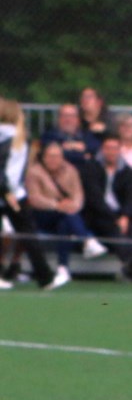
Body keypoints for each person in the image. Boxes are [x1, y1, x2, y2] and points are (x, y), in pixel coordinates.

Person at [0, 97, 61, 291]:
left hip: (8, 193)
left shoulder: (8, 137)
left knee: (27, 234)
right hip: (14, 193)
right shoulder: (19, 138)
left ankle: (45, 276)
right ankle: (45, 277)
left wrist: (6, 191)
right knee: (29, 235)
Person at [26, 142, 105, 270]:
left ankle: (63, 268)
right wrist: (57, 205)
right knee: (68, 216)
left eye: (57, 156)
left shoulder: (71, 170)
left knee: (65, 223)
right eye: (50, 156)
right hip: (43, 214)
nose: (53, 159)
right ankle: (87, 239)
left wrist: (72, 206)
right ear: (44, 158)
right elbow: (35, 199)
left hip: (66, 214)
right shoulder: (34, 172)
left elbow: (78, 195)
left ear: (62, 158)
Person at [81, 134, 132, 280]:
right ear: (102, 149)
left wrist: (125, 216)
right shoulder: (91, 168)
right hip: (99, 215)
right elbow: (95, 199)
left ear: (119, 150)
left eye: (115, 148)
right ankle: (131, 266)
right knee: (115, 230)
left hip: (122, 214)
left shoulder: (127, 172)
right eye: (108, 148)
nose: (111, 152)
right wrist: (115, 218)